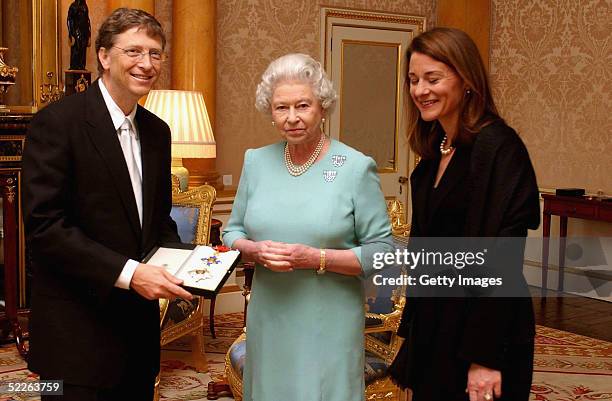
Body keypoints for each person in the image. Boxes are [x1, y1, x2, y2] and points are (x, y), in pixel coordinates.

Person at [23, 8, 192, 401]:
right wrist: (132, 274)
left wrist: (192, 265)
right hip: (76, 338)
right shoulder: (57, 123)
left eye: (155, 53)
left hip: (138, 336)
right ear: (103, 56)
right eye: (133, 51)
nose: (146, 64)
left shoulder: (157, 131)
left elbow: (157, 222)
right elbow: (46, 228)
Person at [222, 53, 393, 401]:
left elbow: (383, 252)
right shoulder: (256, 161)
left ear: (323, 107)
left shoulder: (355, 168)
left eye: (303, 105)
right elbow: (232, 232)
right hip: (269, 316)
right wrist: (253, 250)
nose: (292, 118)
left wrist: (316, 258)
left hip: (328, 320)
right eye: (281, 108)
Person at [387, 28, 540, 401]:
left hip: (487, 330)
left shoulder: (499, 147)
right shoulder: (433, 156)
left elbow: (501, 261)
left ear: (466, 80)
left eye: (433, 79)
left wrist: (484, 358)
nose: (420, 90)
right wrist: (413, 338)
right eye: (413, 80)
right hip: (437, 325)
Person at [68, 0, 91, 70]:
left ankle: (82, 66)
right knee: (76, 48)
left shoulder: (85, 6)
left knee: (83, 49)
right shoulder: (73, 6)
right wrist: (71, 34)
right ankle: (74, 66)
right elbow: (69, 20)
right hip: (76, 31)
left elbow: (87, 20)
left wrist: (89, 35)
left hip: (84, 31)